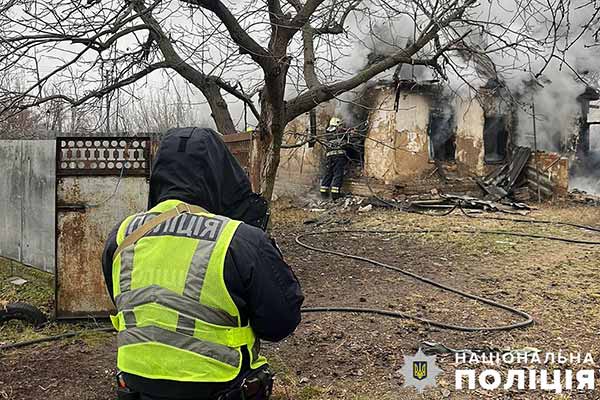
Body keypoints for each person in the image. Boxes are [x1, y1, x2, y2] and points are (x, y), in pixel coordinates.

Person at [101, 127, 304, 400]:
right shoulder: (239, 239)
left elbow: (123, 299)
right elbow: (280, 323)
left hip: (137, 387)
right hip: (222, 388)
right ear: (222, 174)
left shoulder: (122, 235)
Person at [319, 117, 350, 200]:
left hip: (329, 157)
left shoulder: (328, 133)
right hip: (338, 157)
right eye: (340, 125)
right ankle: (335, 195)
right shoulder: (339, 133)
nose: (341, 127)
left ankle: (323, 193)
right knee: (338, 175)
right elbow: (347, 143)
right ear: (337, 125)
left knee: (328, 174)